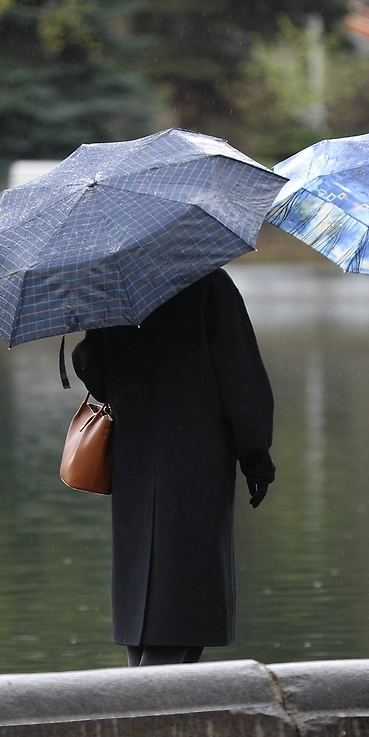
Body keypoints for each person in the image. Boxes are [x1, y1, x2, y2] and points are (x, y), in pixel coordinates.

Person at [71, 268, 276, 667]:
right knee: (182, 611)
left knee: (148, 614)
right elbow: (243, 383)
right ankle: (140, 708)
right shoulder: (208, 285)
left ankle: (143, 703)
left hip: (135, 464)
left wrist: (93, 326)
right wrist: (257, 462)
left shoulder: (116, 288)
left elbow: (97, 374)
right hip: (195, 468)